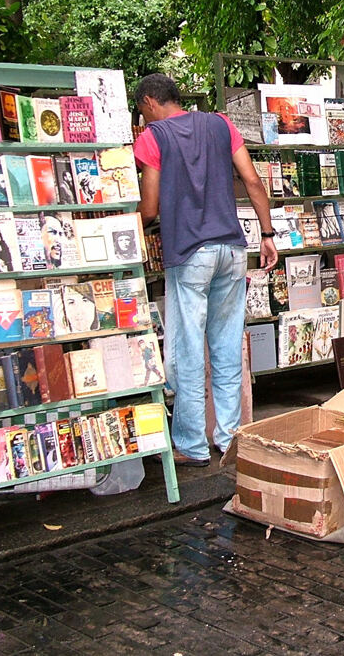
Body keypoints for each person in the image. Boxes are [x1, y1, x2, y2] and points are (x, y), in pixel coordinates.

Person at [135, 73, 278, 467]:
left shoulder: (153, 137)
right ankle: (229, 437)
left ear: (149, 102)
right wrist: (267, 233)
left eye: (141, 111)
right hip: (232, 249)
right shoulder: (221, 124)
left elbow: (149, 209)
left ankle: (192, 445)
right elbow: (251, 179)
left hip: (189, 253)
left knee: (186, 350)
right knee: (228, 346)